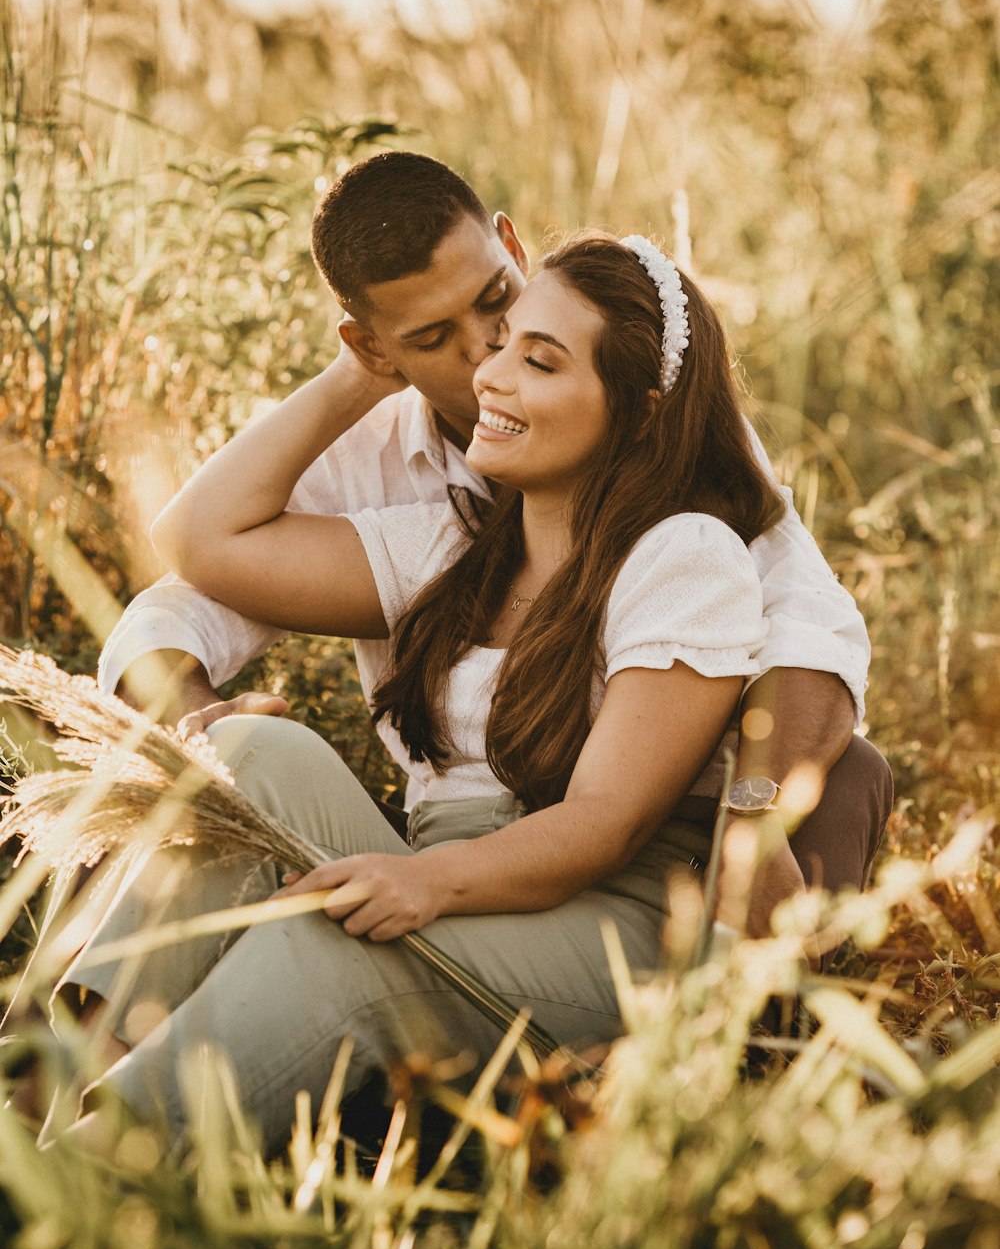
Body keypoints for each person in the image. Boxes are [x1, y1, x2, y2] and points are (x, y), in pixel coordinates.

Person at [66, 231, 782, 1152]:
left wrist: (425, 881)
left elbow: (608, 822)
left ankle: (92, 1180)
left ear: (640, 415)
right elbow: (202, 539)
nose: (491, 373)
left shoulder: (685, 555)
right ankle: (58, 1093)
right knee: (245, 757)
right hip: (456, 884)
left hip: (610, 932)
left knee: (337, 940)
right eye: (505, 341)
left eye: (541, 360)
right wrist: (366, 368)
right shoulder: (455, 544)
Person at [97, 152, 891, 935]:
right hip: (455, 833)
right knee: (235, 767)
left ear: (514, 249)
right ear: (375, 346)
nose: (484, 351)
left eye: (496, 301)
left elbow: (806, 625)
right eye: (434, 336)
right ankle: (72, 1049)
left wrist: (754, 812)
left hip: (648, 830)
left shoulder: (657, 429)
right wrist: (192, 714)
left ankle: (758, 1026)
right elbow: (189, 577)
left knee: (848, 768)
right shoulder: (370, 469)